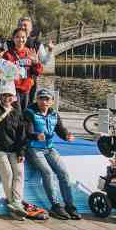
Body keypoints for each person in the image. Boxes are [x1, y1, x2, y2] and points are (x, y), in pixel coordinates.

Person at [24, 88, 79, 220]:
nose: (44, 102)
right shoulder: (29, 112)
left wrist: (67, 135)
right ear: (36, 100)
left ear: (52, 101)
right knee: (47, 173)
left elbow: (60, 129)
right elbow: (27, 131)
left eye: (47, 99)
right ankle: (55, 205)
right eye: (41, 98)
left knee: (63, 173)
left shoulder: (54, 113)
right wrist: (36, 136)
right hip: (33, 148)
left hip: (49, 148)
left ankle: (69, 205)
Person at [0, 81, 28, 219]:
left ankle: (17, 203)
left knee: (19, 172)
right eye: (4, 95)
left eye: (10, 95)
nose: (7, 98)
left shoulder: (17, 112)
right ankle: (13, 205)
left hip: (13, 150)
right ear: (0, 96)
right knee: (8, 174)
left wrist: (21, 152)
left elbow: (22, 134)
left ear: (14, 97)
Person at [4, 28, 43, 109]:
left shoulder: (30, 52)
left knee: (25, 112)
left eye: (23, 37)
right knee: (16, 112)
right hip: (13, 90)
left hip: (27, 90)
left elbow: (38, 72)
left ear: (26, 38)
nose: (20, 40)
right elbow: (4, 73)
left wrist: (36, 63)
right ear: (13, 38)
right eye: (17, 37)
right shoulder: (8, 54)